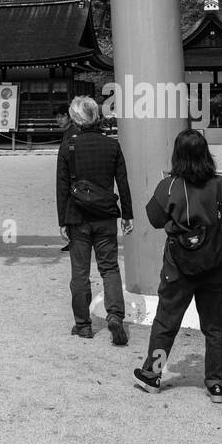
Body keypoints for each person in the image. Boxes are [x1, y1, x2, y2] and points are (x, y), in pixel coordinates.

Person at [134, 129, 222, 403]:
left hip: (178, 265)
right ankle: (215, 383)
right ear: (205, 153)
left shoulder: (169, 186)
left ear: (177, 154)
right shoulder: (218, 184)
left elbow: (155, 219)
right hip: (215, 262)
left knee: (166, 321)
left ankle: (153, 374)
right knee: (215, 326)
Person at [56, 95, 134, 345]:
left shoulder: (68, 145)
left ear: (76, 118)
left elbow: (62, 186)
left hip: (78, 216)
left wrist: (62, 220)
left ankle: (83, 325)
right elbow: (123, 181)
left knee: (79, 272)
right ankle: (115, 316)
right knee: (109, 267)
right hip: (105, 215)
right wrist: (128, 214)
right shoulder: (111, 145)